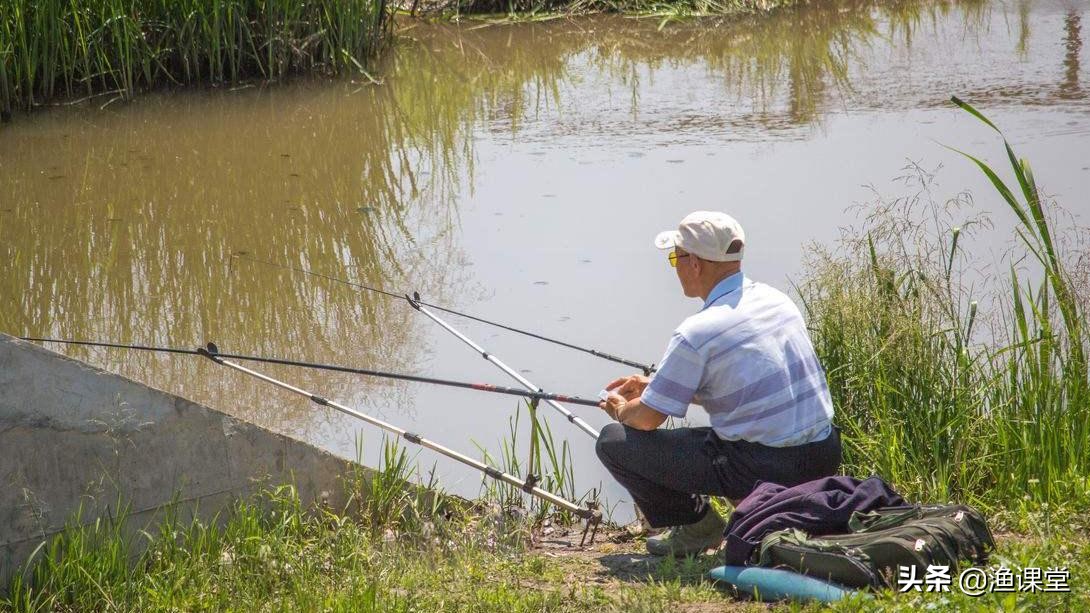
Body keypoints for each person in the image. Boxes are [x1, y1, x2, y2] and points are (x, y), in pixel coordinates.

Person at [595, 211, 842, 557]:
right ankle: (759, 509)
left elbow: (646, 420)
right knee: (719, 436)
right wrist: (656, 384)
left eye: (674, 258)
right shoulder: (776, 301)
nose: (675, 267)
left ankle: (698, 526)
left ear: (694, 264)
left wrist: (620, 410)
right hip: (822, 453)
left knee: (614, 442)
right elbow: (744, 384)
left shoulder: (697, 332)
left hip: (767, 465)